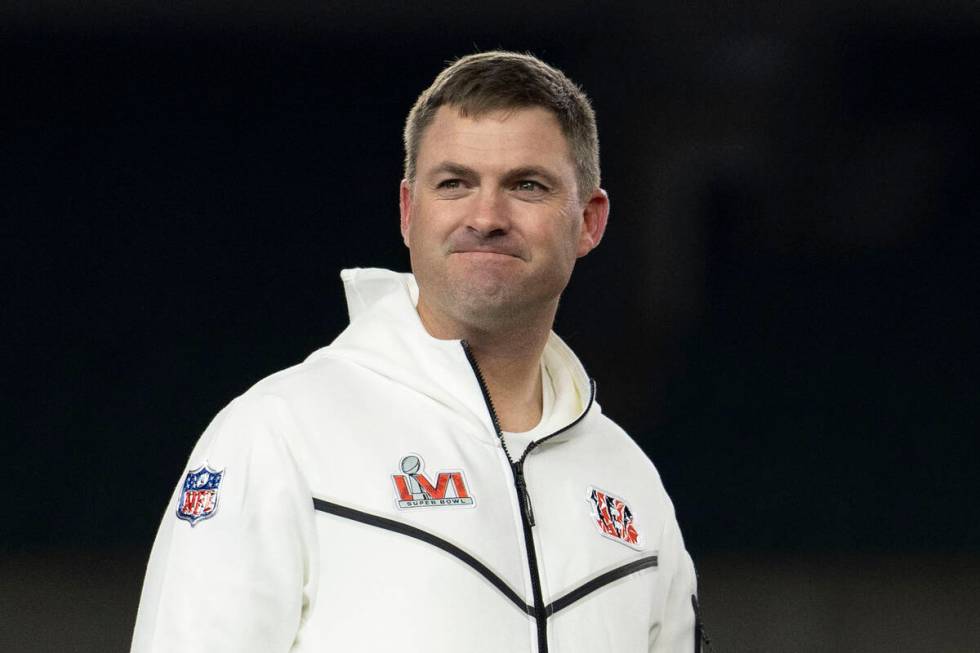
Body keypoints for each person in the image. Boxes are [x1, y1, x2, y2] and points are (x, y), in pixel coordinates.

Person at [131, 50, 702, 653]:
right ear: (408, 212)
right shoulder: (280, 434)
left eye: (526, 185)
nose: (486, 217)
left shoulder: (632, 482)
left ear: (589, 221)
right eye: (454, 184)